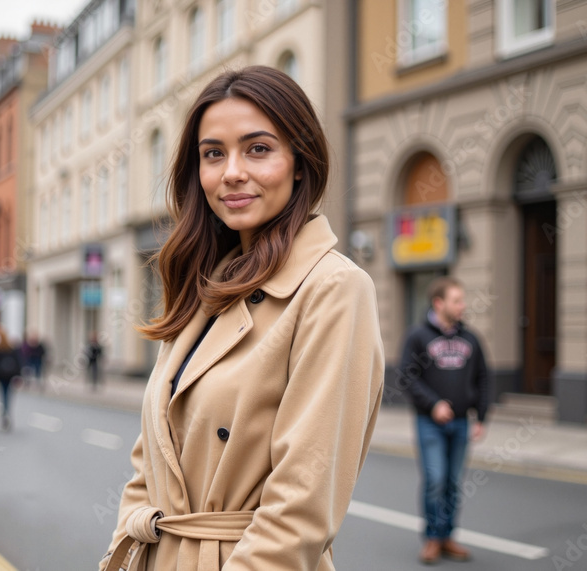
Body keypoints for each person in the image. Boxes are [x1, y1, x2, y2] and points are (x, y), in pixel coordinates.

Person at [99, 66, 384, 571]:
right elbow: (148, 468)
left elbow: (299, 509)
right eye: (213, 154)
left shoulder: (334, 289)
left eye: (258, 149)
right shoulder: (206, 287)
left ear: (300, 162)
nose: (231, 171)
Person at [402, 276, 490, 565]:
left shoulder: (471, 339)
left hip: (462, 423)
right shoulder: (418, 336)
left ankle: (447, 536)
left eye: (462, 300)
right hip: (430, 423)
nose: (462, 306)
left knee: (453, 483)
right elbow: (407, 377)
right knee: (435, 480)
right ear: (439, 303)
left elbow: (483, 378)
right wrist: (434, 404)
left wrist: (481, 416)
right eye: (457, 301)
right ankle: (432, 539)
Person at [0, 325, 22, 431]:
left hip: (2, 375)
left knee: (3, 395)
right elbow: (18, 362)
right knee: (8, 395)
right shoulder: (11, 347)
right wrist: (19, 375)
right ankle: (6, 412)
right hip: (9, 375)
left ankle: (5, 413)